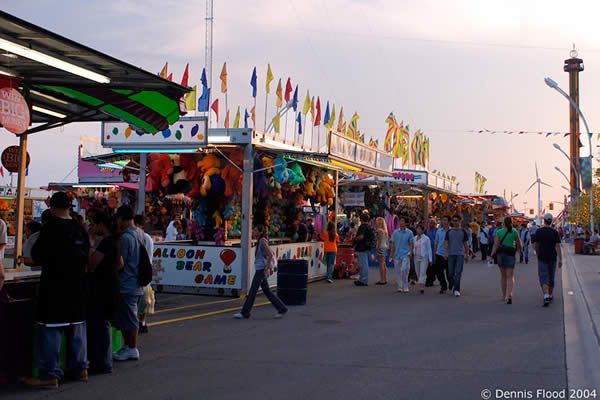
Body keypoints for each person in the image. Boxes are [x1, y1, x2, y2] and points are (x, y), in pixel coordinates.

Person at [25, 192, 90, 388]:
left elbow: (37, 256)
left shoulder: (50, 228)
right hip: (77, 286)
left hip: (54, 287)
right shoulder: (79, 229)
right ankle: (80, 368)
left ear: (52, 208)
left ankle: (49, 375)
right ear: (69, 207)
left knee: (51, 329)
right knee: (77, 327)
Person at [87, 212, 121, 374]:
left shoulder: (105, 243)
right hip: (112, 284)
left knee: (99, 325)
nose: (92, 227)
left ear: (101, 225)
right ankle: (105, 361)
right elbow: (120, 264)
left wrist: (90, 245)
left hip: (101, 287)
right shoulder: (116, 241)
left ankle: (101, 362)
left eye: (93, 224)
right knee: (104, 324)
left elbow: (92, 263)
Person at [234, 224, 288, 319]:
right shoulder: (261, 240)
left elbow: (270, 254)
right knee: (267, 291)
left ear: (259, 232)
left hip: (261, 270)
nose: (253, 232)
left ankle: (245, 312)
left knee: (253, 291)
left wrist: (266, 270)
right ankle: (282, 308)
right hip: (261, 269)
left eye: (255, 230)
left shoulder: (262, 241)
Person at [113, 205, 145, 361]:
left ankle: (132, 348)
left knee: (130, 317)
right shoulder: (140, 234)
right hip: (138, 280)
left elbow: (120, 263)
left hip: (127, 282)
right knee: (129, 315)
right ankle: (128, 346)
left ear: (121, 219)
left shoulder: (126, 237)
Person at [489, 217, 522, 304]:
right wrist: (521, 251)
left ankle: (504, 296)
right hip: (510, 254)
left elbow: (495, 245)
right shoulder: (514, 231)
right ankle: (510, 294)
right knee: (510, 276)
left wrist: (491, 255)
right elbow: (519, 244)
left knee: (503, 276)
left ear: (503, 223)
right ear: (511, 223)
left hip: (501, 254)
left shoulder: (499, 232)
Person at [531, 214, 562, 306]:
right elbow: (558, 246)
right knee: (551, 276)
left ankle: (545, 295)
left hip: (542, 257)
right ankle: (550, 295)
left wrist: (537, 253)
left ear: (544, 220)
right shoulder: (555, 232)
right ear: (551, 221)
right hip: (552, 257)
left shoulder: (539, 231)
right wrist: (560, 259)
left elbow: (535, 245)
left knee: (543, 276)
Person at [135, 215, 154, 334]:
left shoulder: (142, 237)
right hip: (146, 271)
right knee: (144, 299)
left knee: (141, 299)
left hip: (140, 270)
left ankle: (140, 322)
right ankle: (142, 322)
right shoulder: (147, 238)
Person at [444, 215, 470, 297]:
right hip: (451, 254)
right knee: (450, 273)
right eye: (454, 220)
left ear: (460, 221)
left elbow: (466, 244)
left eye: (456, 220)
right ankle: (453, 283)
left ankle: (457, 289)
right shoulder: (449, 232)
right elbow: (446, 243)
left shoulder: (463, 232)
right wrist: (445, 253)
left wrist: (467, 254)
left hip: (460, 255)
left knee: (458, 272)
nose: (455, 222)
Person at [390, 215, 414, 293]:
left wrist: (410, 252)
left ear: (406, 223)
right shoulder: (395, 232)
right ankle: (400, 286)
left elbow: (411, 243)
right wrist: (391, 253)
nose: (401, 222)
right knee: (397, 271)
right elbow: (392, 243)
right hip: (397, 254)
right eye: (400, 221)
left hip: (405, 254)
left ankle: (405, 285)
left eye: (403, 221)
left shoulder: (409, 232)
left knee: (404, 269)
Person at [353, 213, 374, 286]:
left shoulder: (362, 227)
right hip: (367, 246)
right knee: (364, 263)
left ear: (361, 219)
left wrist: (355, 239)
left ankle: (363, 280)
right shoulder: (369, 227)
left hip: (361, 246)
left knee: (363, 264)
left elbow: (361, 236)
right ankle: (362, 279)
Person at [432, 216, 450, 293]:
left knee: (450, 273)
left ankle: (451, 282)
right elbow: (436, 243)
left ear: (449, 222)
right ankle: (443, 286)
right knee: (439, 272)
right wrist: (435, 253)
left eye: (445, 220)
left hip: (449, 254)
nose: (444, 222)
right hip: (439, 253)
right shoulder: (439, 231)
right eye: (442, 220)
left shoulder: (451, 231)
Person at [413, 223, 432, 294]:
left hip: (424, 257)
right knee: (418, 272)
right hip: (416, 257)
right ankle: (420, 283)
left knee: (422, 272)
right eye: (417, 229)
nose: (418, 230)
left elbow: (429, 249)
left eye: (420, 229)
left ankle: (422, 286)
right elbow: (412, 247)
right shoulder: (414, 238)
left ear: (423, 230)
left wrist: (430, 259)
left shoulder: (426, 239)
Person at [375, 217, 389, 285]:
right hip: (385, 247)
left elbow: (379, 240)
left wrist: (377, 249)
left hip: (381, 247)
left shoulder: (379, 230)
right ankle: (384, 278)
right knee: (383, 263)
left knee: (381, 264)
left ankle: (382, 279)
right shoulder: (385, 231)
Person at [424, 219, 438, 286]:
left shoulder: (437, 231)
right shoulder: (426, 231)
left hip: (435, 250)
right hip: (428, 250)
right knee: (428, 266)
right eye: (430, 223)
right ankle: (429, 279)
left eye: (433, 223)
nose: (431, 224)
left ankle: (431, 279)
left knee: (434, 266)